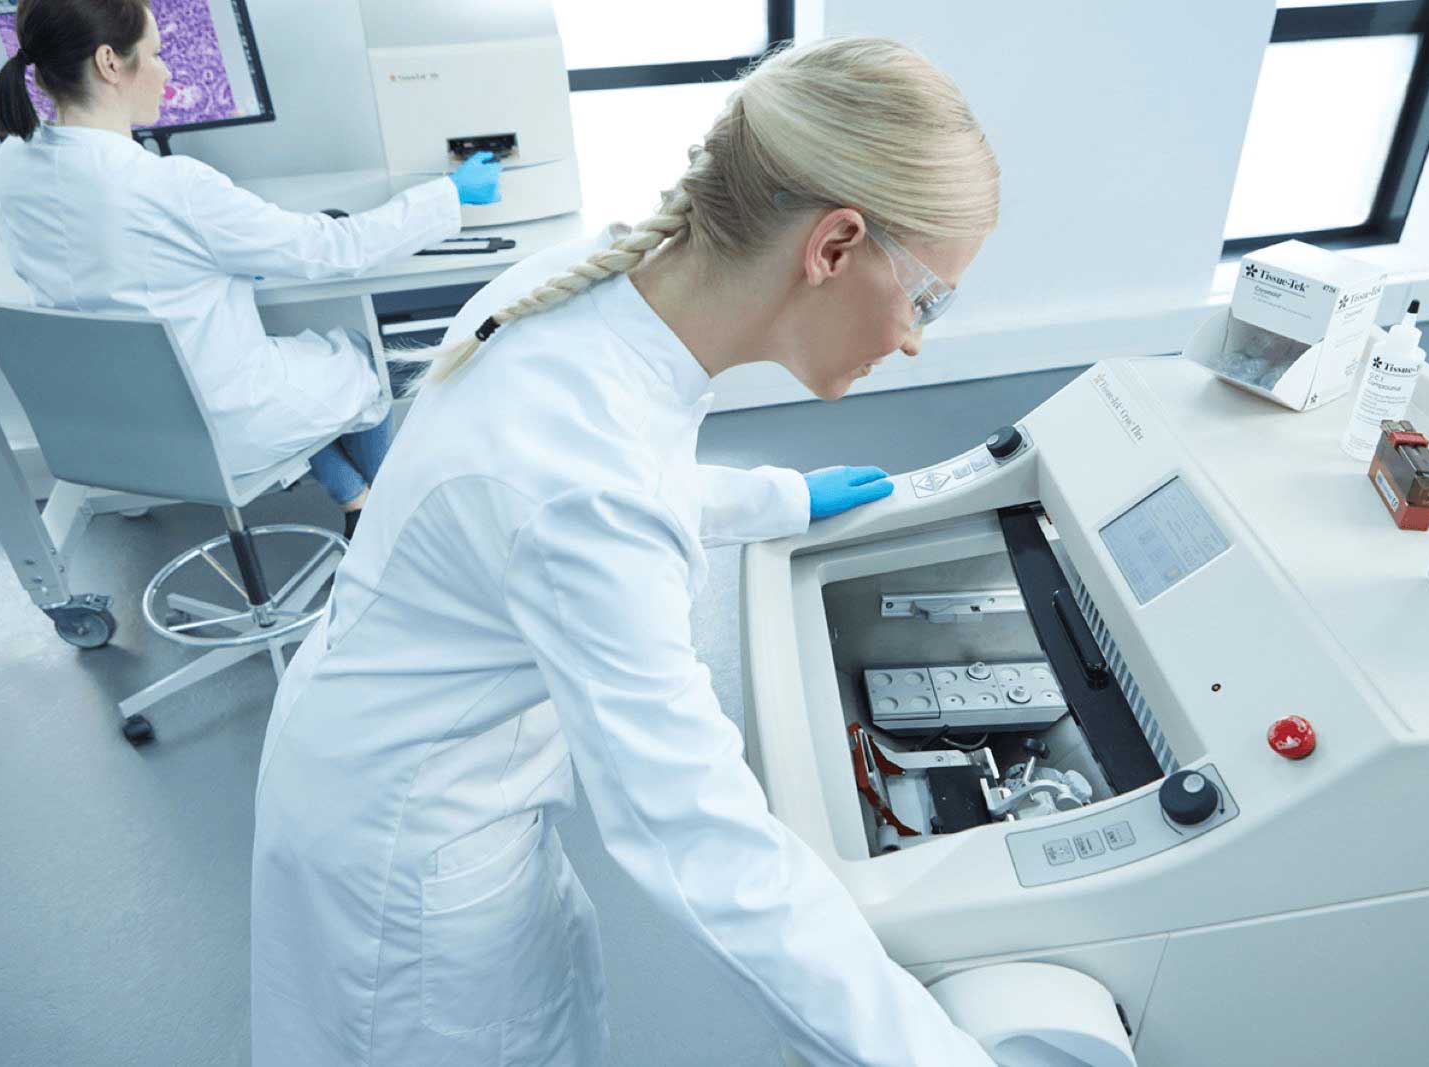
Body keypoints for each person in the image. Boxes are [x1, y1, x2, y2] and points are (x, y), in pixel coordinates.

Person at [251, 36, 1001, 1067]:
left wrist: (774, 495)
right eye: (927, 298)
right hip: (411, 860)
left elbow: (574, 488)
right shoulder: (585, 481)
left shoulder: (591, 283)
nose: (915, 337)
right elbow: (705, 845)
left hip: (376, 746)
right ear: (834, 245)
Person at [0, 0, 501, 536]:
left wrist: (208, 263)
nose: (166, 72)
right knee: (361, 360)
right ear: (110, 63)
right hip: (217, 430)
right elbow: (334, 249)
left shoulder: (12, 167)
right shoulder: (172, 187)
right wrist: (449, 195)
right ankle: (392, 530)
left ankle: (355, 498)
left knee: (293, 364)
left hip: (109, 432)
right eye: (156, 55)